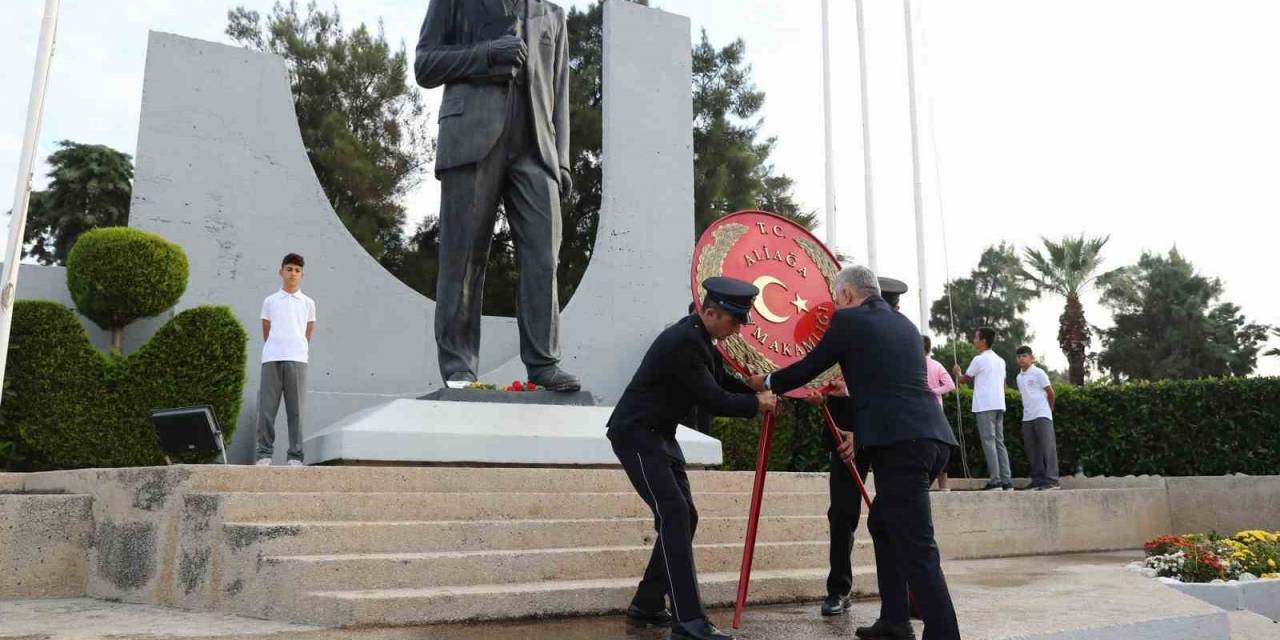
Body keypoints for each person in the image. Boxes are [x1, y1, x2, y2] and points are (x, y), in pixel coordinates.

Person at [749, 266, 961, 640]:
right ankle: (894, 620)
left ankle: (944, 633)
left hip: (902, 447)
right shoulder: (904, 325)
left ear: (846, 295)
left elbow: (810, 366)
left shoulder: (849, 321)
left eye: (836, 298)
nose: (835, 305)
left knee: (916, 543)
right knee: (883, 523)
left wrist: (766, 381)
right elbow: (889, 387)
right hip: (931, 439)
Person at [415, 0, 580, 392]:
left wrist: (562, 161)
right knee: (464, 259)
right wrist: (487, 54)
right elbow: (425, 65)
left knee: (543, 258)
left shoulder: (554, 15)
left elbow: (560, 90)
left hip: (536, 149)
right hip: (470, 138)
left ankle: (544, 363)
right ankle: (458, 366)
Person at [607, 277, 777, 640]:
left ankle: (648, 603)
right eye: (734, 321)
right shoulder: (685, 342)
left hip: (659, 435)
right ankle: (689, 621)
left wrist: (753, 386)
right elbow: (712, 399)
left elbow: (720, 382)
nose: (737, 329)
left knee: (685, 515)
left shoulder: (701, 338)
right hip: (636, 435)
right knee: (675, 513)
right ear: (711, 313)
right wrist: (755, 404)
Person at [255, 253, 316, 466]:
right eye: (289, 269)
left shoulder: (308, 303)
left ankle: (295, 456)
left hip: (297, 360)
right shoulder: (270, 301)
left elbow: (308, 331)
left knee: (296, 411)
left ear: (302, 275)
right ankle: (264, 454)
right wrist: (276, 347)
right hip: (272, 358)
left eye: (297, 270)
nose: (293, 273)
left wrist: (296, 348)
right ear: (281, 271)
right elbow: (267, 329)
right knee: (266, 409)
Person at [952, 328, 1012, 491]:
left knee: (988, 441)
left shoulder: (979, 360)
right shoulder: (1000, 360)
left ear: (983, 341)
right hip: (999, 404)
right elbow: (1004, 384)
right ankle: (1006, 480)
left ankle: (996, 480)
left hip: (985, 405)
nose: (974, 340)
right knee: (999, 442)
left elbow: (964, 380)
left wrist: (957, 372)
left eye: (976, 337)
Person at [1015, 346, 1060, 490]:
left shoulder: (1038, 373)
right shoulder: (1018, 377)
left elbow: (1050, 393)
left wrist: (1049, 409)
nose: (1021, 359)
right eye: (1018, 357)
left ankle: (1052, 480)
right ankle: (1038, 479)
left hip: (1042, 414)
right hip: (1027, 417)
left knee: (1048, 447)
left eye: (1024, 356)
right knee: (1032, 450)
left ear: (1031, 358)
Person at [923, 336, 956, 491]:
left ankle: (925, 483)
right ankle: (944, 485)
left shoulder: (913, 364)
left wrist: (930, 391)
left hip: (920, 412)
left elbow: (950, 385)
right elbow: (950, 385)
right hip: (936, 412)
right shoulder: (937, 365)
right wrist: (935, 391)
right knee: (941, 445)